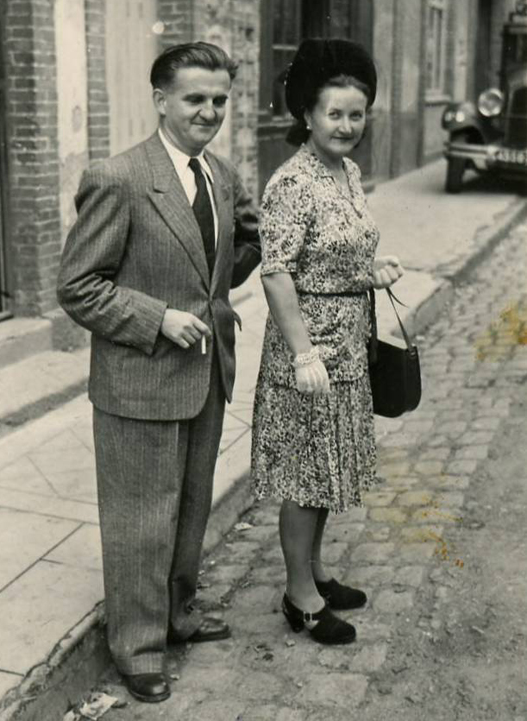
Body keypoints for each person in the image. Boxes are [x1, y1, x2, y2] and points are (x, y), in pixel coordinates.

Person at [57, 42, 260, 702]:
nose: (209, 112)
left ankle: (177, 614)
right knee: (141, 521)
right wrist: (158, 318)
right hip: (139, 379)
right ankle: (138, 648)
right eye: (194, 99)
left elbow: (237, 249)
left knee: (190, 509)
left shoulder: (219, 174)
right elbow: (78, 286)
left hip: (205, 373)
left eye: (219, 100)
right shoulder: (118, 178)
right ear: (160, 101)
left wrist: (223, 285)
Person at [251, 38, 404, 645]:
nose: (346, 125)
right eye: (334, 113)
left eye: (356, 114)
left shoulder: (348, 173)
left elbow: (333, 254)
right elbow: (276, 272)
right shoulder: (292, 183)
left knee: (327, 468)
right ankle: (300, 597)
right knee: (305, 473)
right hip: (309, 353)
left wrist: (371, 270)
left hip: (348, 344)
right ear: (308, 115)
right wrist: (303, 353)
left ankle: (314, 572)